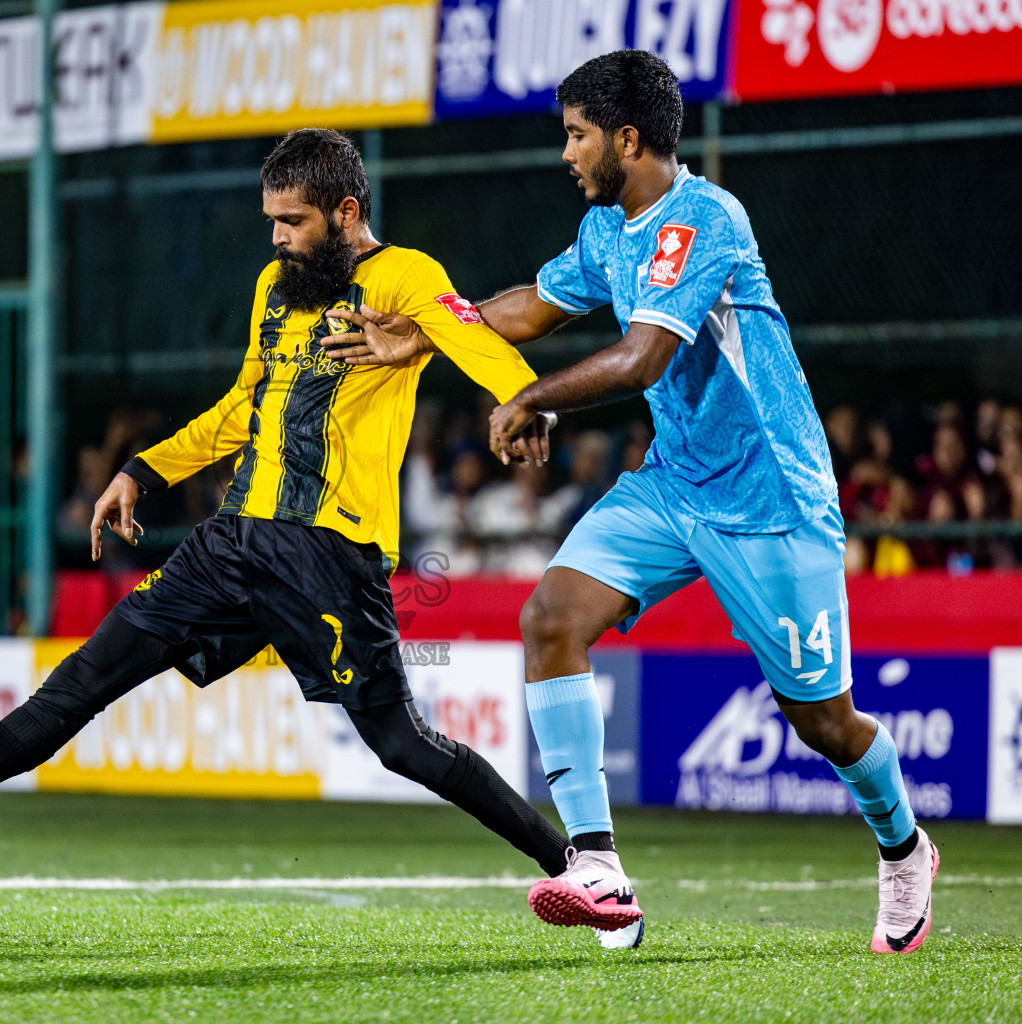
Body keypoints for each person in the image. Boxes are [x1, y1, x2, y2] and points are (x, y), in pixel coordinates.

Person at [0, 129, 586, 920]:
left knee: (402, 745)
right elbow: (243, 406)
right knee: (78, 684)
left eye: (293, 221)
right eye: (271, 221)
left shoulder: (406, 275)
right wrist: (143, 470)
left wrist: (527, 400)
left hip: (327, 553)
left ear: (346, 212)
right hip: (230, 544)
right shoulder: (275, 286)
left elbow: (473, 340)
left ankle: (576, 867)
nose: (277, 238)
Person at [322, 50, 938, 955]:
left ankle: (904, 845)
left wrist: (532, 399)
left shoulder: (706, 218)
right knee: (550, 619)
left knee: (823, 723)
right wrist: (421, 333)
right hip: (674, 483)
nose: (566, 154)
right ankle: (600, 870)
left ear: (627, 137)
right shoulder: (607, 228)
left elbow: (642, 358)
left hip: (772, 500)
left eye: (577, 136)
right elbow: (533, 306)